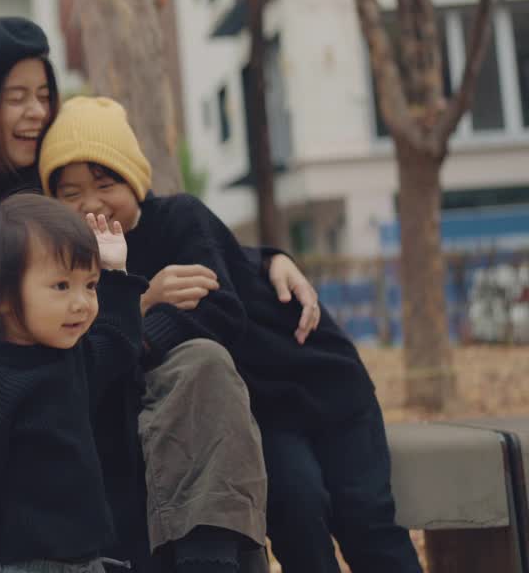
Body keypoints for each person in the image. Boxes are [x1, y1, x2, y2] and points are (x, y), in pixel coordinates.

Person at [0, 16, 280, 572]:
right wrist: (135, 304)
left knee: (204, 367)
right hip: (26, 452)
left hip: (103, 405)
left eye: (44, 94)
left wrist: (272, 260)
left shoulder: (63, 184)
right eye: (17, 97)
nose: (37, 111)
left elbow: (170, 237)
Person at [38, 96, 422, 573]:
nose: (90, 202)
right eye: (70, 192)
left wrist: (136, 330)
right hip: (261, 409)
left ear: (136, 182)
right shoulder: (71, 263)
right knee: (294, 507)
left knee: (366, 517)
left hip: (320, 380)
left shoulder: (180, 218)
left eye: (105, 182)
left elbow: (218, 308)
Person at [0, 193, 149, 573]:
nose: (82, 303)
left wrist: (115, 272)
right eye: (61, 286)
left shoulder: (71, 358)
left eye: (89, 285)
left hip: (88, 558)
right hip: (25, 563)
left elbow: (120, 344)